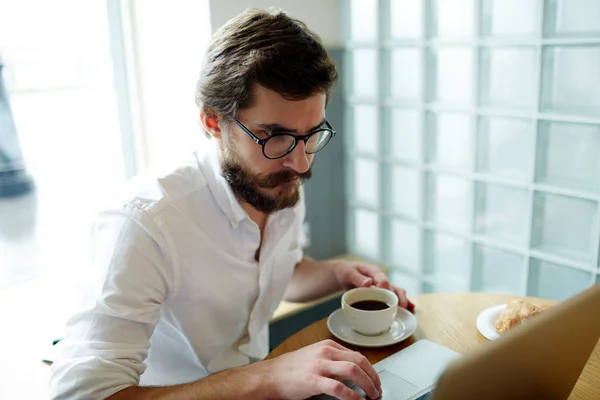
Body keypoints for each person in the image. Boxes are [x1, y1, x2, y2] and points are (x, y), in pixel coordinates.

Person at [49, 8, 414, 400]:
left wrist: (336, 273)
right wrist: (268, 377)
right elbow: (80, 395)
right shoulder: (144, 224)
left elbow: (274, 274)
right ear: (211, 122)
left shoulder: (276, 177)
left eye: (312, 134)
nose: (302, 162)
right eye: (275, 135)